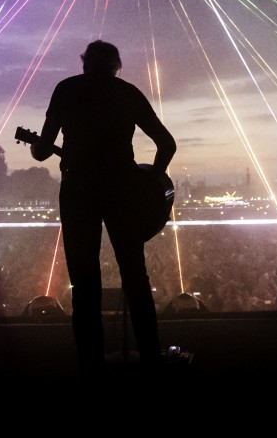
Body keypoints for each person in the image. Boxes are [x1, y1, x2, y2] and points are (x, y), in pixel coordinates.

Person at [29, 40, 176, 375]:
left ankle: (90, 365)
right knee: (136, 276)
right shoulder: (128, 92)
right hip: (124, 190)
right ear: (117, 65)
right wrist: (153, 177)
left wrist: (40, 146)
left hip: (78, 190)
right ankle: (151, 358)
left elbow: (41, 151)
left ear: (85, 63)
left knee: (84, 280)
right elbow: (167, 143)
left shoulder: (65, 90)